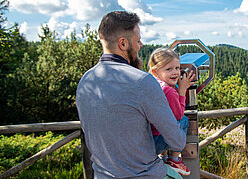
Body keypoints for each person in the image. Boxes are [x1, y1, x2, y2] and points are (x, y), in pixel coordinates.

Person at [76, 11, 186, 179]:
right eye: (137, 40)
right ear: (123, 43)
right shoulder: (142, 81)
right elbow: (177, 141)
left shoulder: (86, 81)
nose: (140, 45)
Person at [148, 48, 197, 176]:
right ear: (155, 71)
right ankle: (175, 159)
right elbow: (178, 115)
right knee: (184, 121)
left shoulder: (152, 85)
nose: (175, 72)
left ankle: (164, 157)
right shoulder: (169, 91)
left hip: (147, 140)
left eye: (177, 68)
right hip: (158, 141)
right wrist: (182, 90)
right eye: (168, 69)